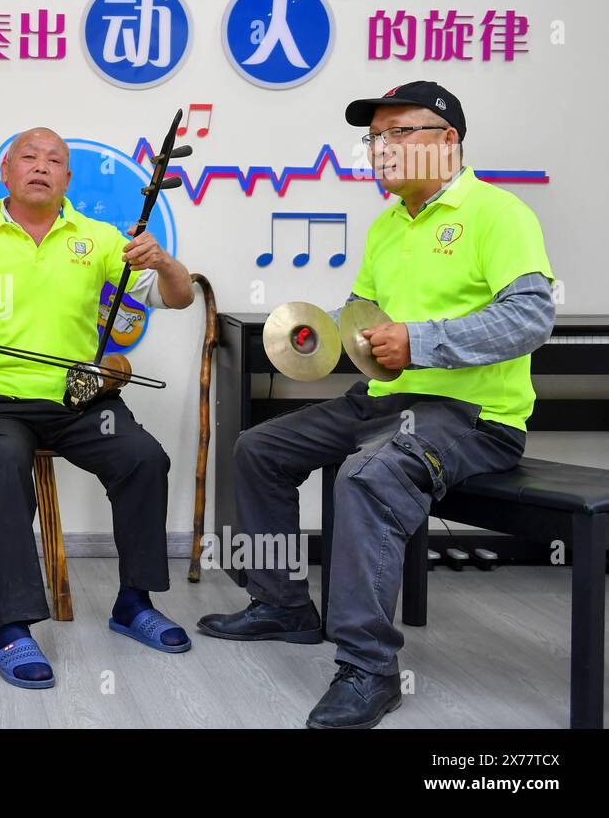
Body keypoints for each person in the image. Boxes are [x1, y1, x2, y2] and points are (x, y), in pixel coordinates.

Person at [198, 82, 556, 728]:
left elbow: (530, 318)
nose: (382, 149)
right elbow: (365, 319)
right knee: (259, 449)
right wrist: (316, 333)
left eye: (399, 134)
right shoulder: (388, 225)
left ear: (447, 141)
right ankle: (282, 605)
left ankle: (368, 667)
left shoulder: (499, 214)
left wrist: (419, 342)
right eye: (374, 139)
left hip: (472, 417)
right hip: (385, 401)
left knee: (368, 476)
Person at [0, 127, 197, 689]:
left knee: (144, 457)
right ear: (6, 172)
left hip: (78, 396)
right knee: (4, 471)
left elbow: (178, 295)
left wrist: (162, 261)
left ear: (68, 178)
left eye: (54, 160)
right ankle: (12, 630)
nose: (41, 166)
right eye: (29, 156)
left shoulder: (98, 238)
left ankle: (133, 603)